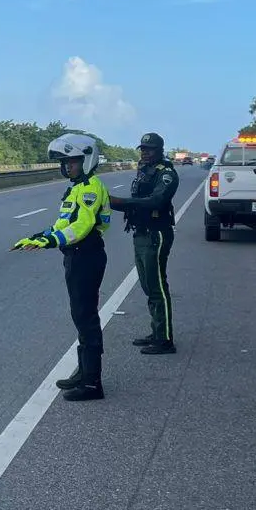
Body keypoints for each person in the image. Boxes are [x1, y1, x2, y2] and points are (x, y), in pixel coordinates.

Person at [12, 133, 112, 402]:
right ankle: (84, 371)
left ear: (86, 160)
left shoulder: (91, 187)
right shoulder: (76, 188)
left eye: (73, 162)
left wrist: (51, 241)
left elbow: (81, 227)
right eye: (65, 162)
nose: (68, 167)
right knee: (79, 315)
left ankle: (92, 383)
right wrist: (40, 236)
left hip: (86, 255)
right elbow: (64, 223)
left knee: (86, 316)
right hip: (76, 255)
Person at [108, 132, 179, 355]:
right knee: (149, 285)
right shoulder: (144, 171)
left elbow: (156, 201)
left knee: (157, 287)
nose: (145, 152)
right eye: (143, 149)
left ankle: (165, 340)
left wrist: (123, 202)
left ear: (160, 150)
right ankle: (157, 332)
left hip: (156, 234)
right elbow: (135, 203)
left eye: (150, 149)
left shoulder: (166, 174)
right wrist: (109, 202)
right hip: (141, 233)